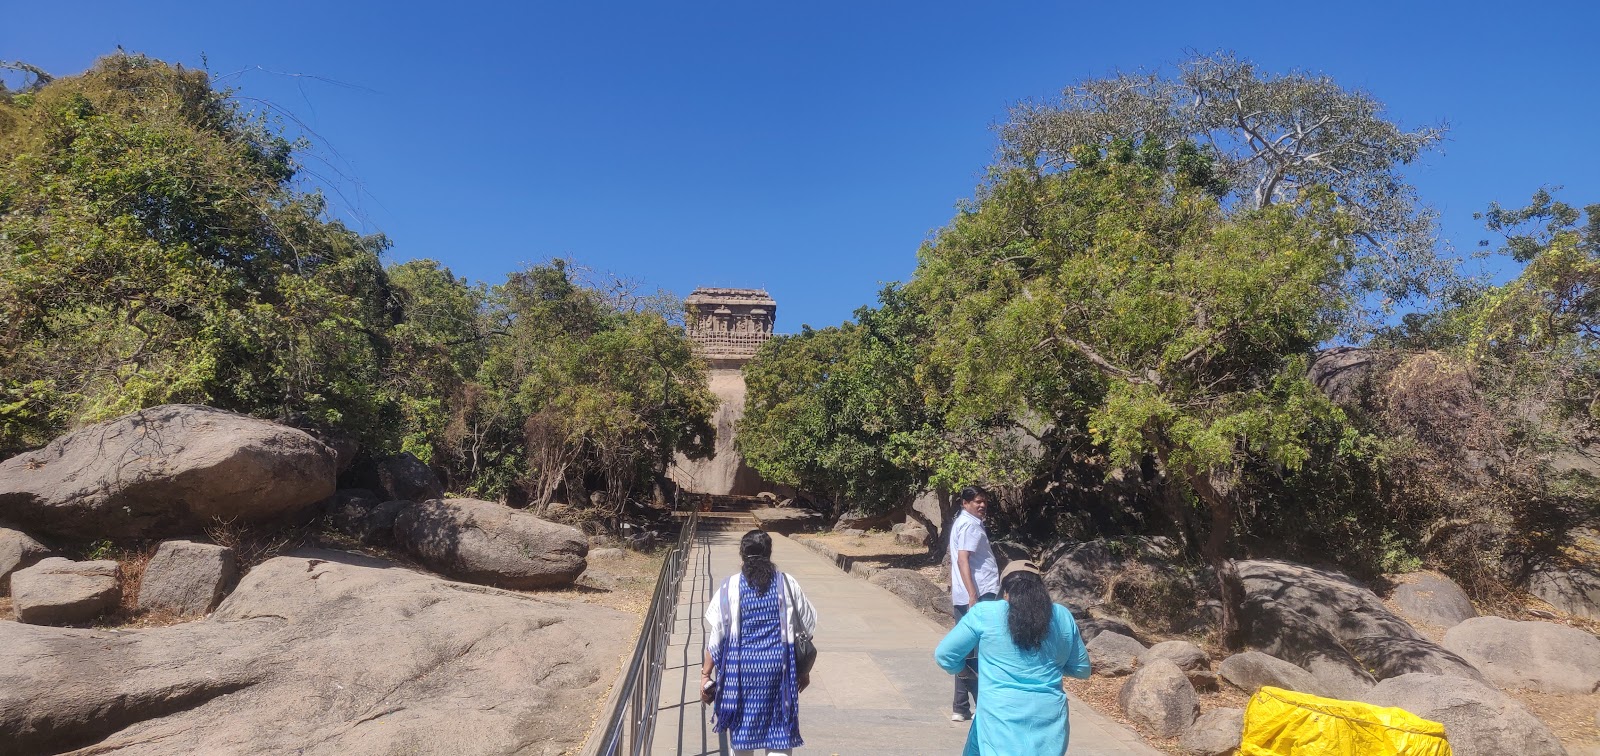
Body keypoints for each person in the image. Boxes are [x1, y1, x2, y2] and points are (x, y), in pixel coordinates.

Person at [934, 560, 1092, 755]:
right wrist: (1051, 665)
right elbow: (1082, 669)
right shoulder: (1062, 616)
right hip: (1049, 724)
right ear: (1040, 590)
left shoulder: (985, 613)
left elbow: (945, 655)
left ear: (1005, 592)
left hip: (998, 721)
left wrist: (964, 672)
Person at [702, 530, 818, 756]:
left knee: (742, 736)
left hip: (741, 673)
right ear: (769, 553)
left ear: (742, 554)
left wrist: (705, 675)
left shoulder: (729, 587)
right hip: (779, 671)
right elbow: (807, 627)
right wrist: (803, 671)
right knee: (779, 733)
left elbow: (717, 636)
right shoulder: (787, 583)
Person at [947, 486, 1000, 721]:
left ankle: (960, 706)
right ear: (965, 503)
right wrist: (972, 595)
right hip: (978, 594)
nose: (982, 505)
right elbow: (963, 559)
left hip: (969, 594)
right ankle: (980, 704)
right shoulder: (970, 525)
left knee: (966, 651)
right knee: (980, 651)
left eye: (984, 501)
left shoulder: (963, 522)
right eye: (977, 501)